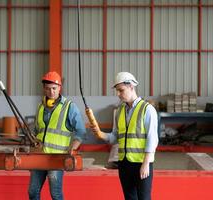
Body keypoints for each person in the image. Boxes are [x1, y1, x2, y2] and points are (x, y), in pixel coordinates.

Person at [90, 72, 159, 200]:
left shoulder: (147, 109)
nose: (118, 94)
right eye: (117, 91)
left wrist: (146, 163)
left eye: (121, 90)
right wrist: (101, 134)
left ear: (131, 87)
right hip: (124, 163)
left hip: (141, 163)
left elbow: (152, 139)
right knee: (129, 197)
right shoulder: (120, 111)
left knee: (144, 198)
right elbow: (116, 136)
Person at [28, 71, 86, 200]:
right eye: (48, 89)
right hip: (39, 155)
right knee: (33, 191)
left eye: (54, 88)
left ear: (60, 88)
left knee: (55, 194)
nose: (51, 92)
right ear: (44, 89)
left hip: (56, 157)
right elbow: (38, 130)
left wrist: (74, 147)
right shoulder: (40, 107)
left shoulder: (69, 107)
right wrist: (32, 139)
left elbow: (81, 131)